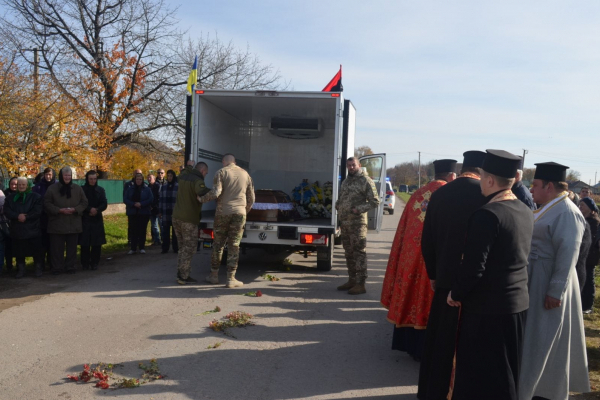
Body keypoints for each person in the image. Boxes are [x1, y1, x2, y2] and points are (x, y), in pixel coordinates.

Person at [446, 150, 533, 400]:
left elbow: (474, 267)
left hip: (488, 309)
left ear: (491, 180)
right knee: (506, 372)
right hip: (516, 305)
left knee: (482, 378)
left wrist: (456, 293)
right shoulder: (524, 210)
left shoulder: (487, 215)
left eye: (483, 176)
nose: (481, 181)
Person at [417, 151, 487, 400]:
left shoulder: (440, 194)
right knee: (468, 345)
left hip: (445, 280)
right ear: (483, 171)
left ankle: (433, 391)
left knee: (441, 342)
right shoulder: (487, 195)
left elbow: (427, 241)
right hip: (475, 286)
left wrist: (434, 274)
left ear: (463, 167)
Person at [519, 162, 590, 399]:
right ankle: (530, 386)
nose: (531, 190)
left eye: (535, 185)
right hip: (537, 279)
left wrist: (555, 291)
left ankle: (546, 390)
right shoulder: (549, 207)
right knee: (536, 338)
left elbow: (568, 255)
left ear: (549, 186)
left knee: (546, 338)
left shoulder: (568, 212)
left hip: (549, 285)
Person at [380, 159, 456, 362]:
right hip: (433, 257)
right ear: (451, 176)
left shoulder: (418, 194)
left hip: (411, 256)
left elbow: (404, 228)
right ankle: (427, 348)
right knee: (429, 299)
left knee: (412, 296)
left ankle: (411, 344)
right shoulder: (449, 195)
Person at [199, 154, 255, 288]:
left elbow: (216, 192)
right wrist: (244, 210)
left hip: (223, 212)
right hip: (239, 213)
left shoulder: (221, 172)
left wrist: (202, 199)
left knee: (218, 245)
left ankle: (213, 276)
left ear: (224, 162)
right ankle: (231, 278)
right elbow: (251, 197)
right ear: (234, 162)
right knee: (234, 245)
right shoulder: (245, 174)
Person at [335, 157, 380, 295]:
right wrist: (338, 205)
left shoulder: (366, 181)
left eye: (353, 165)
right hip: (346, 223)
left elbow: (375, 201)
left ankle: (361, 284)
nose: (351, 167)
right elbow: (343, 197)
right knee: (348, 253)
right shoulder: (346, 181)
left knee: (359, 253)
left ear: (359, 165)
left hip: (357, 224)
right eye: (349, 165)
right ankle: (352, 280)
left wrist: (358, 209)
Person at [172, 160, 210, 284]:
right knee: (189, 248)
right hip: (188, 219)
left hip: (176, 217)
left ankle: (182, 273)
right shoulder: (198, 180)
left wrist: (189, 165)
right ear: (202, 171)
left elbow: (184, 170)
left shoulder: (183, 176)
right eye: (206, 173)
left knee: (182, 247)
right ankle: (183, 276)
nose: (205, 176)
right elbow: (202, 191)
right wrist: (217, 191)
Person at [44, 167, 88, 274]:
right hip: (57, 223)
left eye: (69, 176)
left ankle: (70, 266)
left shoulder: (77, 188)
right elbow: (46, 203)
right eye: (65, 176)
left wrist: (75, 209)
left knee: (72, 248)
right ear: (61, 176)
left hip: (73, 223)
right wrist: (59, 210)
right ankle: (57, 268)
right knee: (56, 249)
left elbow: (84, 202)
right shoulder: (52, 189)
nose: (67, 178)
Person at [4, 178, 43, 278]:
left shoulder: (36, 197)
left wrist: (26, 217)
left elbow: (37, 211)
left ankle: (38, 269)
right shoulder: (10, 198)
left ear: (27, 185)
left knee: (36, 251)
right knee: (19, 251)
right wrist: (17, 216)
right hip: (17, 229)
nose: (21, 186)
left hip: (32, 228)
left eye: (23, 184)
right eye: (19, 185)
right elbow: (7, 211)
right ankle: (21, 269)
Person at [79, 170, 107, 270]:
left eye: (94, 179)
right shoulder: (82, 190)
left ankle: (95, 262)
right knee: (85, 242)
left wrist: (97, 210)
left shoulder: (100, 190)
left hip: (97, 218)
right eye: (91, 179)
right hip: (85, 218)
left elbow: (104, 203)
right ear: (87, 179)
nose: (93, 181)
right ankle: (85, 263)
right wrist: (89, 209)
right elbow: (80, 202)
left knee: (96, 242)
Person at [579, 197, 600, 313]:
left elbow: (592, 240)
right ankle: (582, 303)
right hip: (584, 254)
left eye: (583, 205)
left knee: (589, 280)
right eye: (580, 205)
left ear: (591, 208)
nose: (580, 207)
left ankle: (588, 306)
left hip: (590, 255)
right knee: (584, 279)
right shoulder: (583, 219)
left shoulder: (594, 222)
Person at [124, 173, 153, 255]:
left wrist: (141, 204)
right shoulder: (130, 189)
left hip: (143, 212)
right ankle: (133, 248)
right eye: (137, 179)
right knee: (133, 230)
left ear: (142, 180)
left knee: (142, 230)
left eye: (140, 179)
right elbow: (125, 199)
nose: (138, 181)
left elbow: (150, 199)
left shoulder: (147, 189)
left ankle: (142, 247)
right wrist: (133, 204)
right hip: (133, 212)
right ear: (135, 180)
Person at [33, 167, 56, 271]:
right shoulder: (38, 187)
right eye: (46, 174)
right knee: (42, 244)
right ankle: (40, 265)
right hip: (41, 219)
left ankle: (52, 264)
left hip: (54, 218)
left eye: (50, 174)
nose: (48, 176)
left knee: (53, 244)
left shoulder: (57, 186)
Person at [158, 169, 178, 254]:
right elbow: (161, 199)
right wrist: (160, 211)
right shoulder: (164, 186)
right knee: (165, 232)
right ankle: (165, 248)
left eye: (171, 176)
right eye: (168, 176)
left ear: (173, 177)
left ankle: (175, 248)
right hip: (166, 212)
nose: (169, 177)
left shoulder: (178, 186)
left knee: (175, 232)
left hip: (175, 212)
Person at [123, 169, 142, 244]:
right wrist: (133, 204)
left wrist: (141, 204)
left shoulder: (145, 185)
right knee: (131, 226)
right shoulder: (128, 185)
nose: (138, 175)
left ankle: (140, 241)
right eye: (136, 173)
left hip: (141, 209)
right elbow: (125, 197)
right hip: (132, 209)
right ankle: (131, 240)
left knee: (140, 226)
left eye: (140, 174)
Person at [3, 177, 18, 273]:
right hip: (7, 223)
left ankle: (20, 265)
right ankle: (9, 266)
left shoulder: (22, 194)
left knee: (18, 246)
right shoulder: (5, 194)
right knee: (8, 246)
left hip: (19, 223)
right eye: (12, 184)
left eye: (16, 184)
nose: (13, 186)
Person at [147, 173, 162, 246]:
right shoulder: (148, 187)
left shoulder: (158, 186)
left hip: (158, 209)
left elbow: (159, 198)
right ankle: (157, 240)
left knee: (161, 225)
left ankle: (164, 239)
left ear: (154, 179)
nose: (149, 179)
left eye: (150, 178)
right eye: (148, 178)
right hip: (151, 210)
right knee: (154, 225)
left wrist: (154, 206)